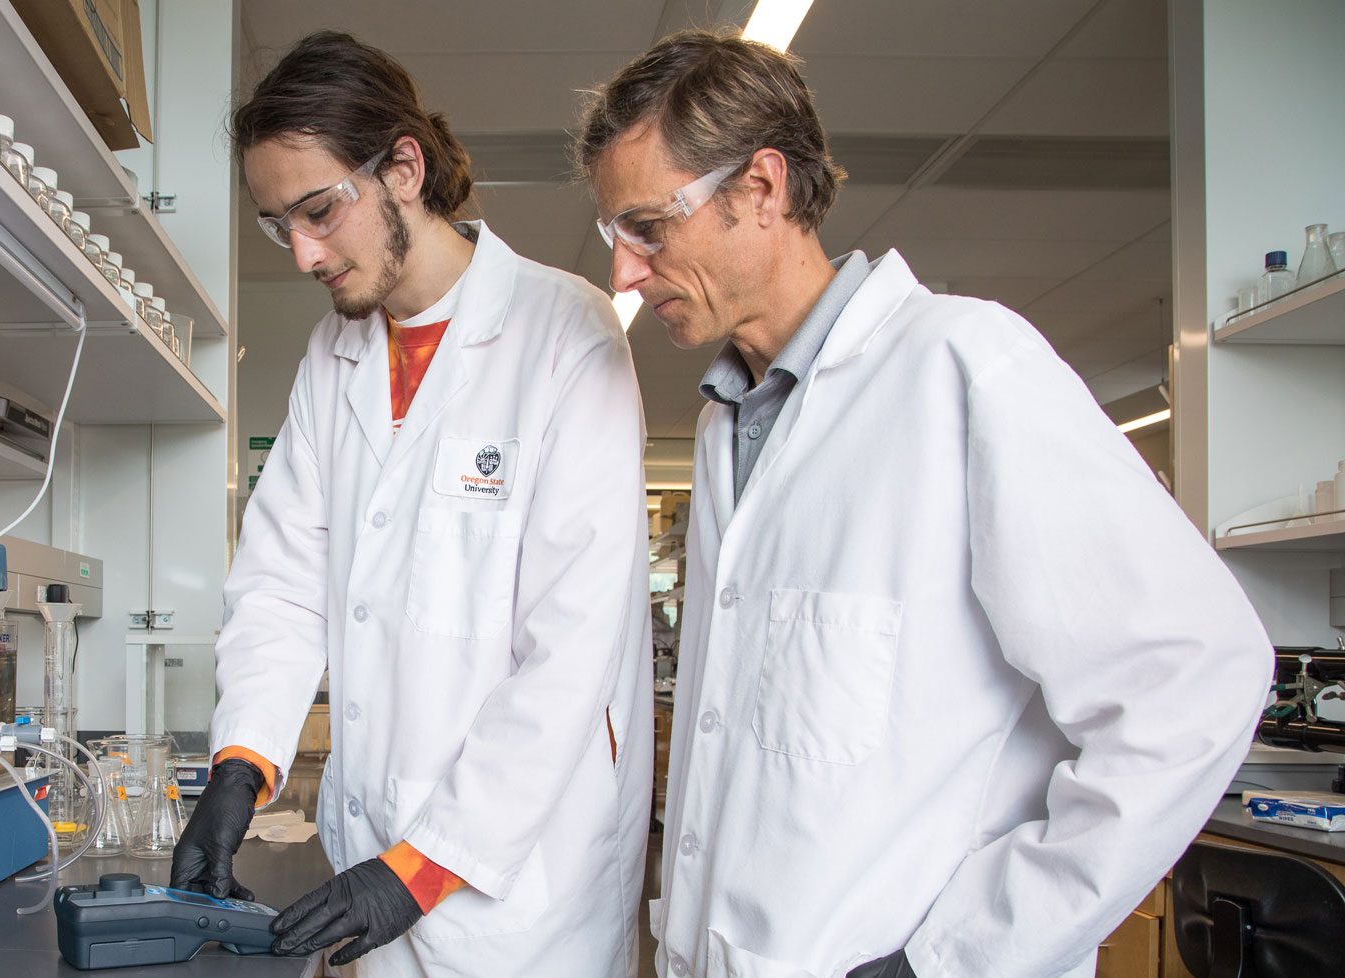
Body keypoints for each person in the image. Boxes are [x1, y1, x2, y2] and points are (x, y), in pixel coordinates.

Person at [575, 29, 1273, 978]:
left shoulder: (965, 367)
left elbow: (1198, 679)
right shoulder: (724, 422)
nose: (623, 270)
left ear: (762, 188)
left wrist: (951, 960)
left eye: (648, 226)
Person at [169, 30, 654, 976]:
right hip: (374, 857)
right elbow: (282, 581)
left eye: (318, 210)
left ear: (403, 167)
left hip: (522, 893)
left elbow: (573, 651)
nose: (304, 253)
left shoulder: (568, 335)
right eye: (280, 224)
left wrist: (422, 868)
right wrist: (242, 760)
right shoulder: (333, 353)